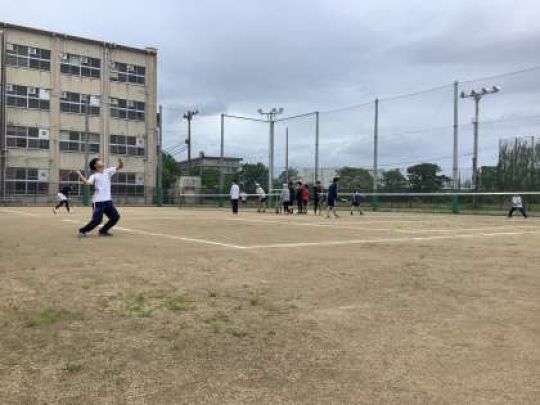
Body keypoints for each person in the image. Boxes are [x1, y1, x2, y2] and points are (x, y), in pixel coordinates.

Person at [76, 157, 123, 237]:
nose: (102, 161)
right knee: (97, 220)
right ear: (96, 165)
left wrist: (120, 162)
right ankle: (82, 231)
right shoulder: (94, 176)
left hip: (108, 201)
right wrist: (80, 175)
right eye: (99, 161)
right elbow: (87, 183)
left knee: (115, 217)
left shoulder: (108, 171)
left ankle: (103, 231)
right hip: (98, 202)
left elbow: (120, 166)